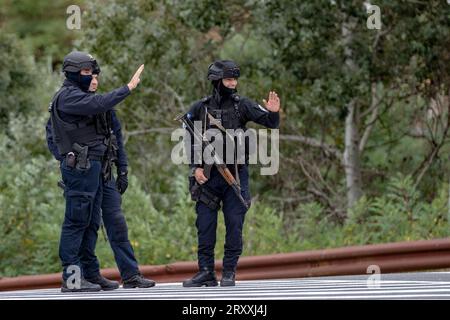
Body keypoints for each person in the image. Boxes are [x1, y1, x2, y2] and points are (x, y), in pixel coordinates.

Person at [46, 58, 155, 291]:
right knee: (77, 222)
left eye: (95, 76)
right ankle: (73, 279)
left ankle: (113, 275)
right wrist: (69, 159)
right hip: (82, 169)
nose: (93, 80)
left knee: (106, 222)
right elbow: (51, 136)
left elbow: (116, 137)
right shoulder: (68, 97)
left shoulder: (97, 104)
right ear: (73, 73)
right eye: (87, 74)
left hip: (103, 169)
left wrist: (122, 169)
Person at [182, 60, 281, 287]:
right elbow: (188, 137)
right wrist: (195, 167)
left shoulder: (241, 105)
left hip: (235, 174)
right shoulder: (201, 107)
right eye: (228, 79)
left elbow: (269, 122)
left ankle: (229, 272)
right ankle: (206, 272)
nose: (232, 83)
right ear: (217, 81)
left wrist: (274, 113)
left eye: (235, 79)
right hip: (207, 177)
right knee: (205, 226)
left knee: (234, 224)